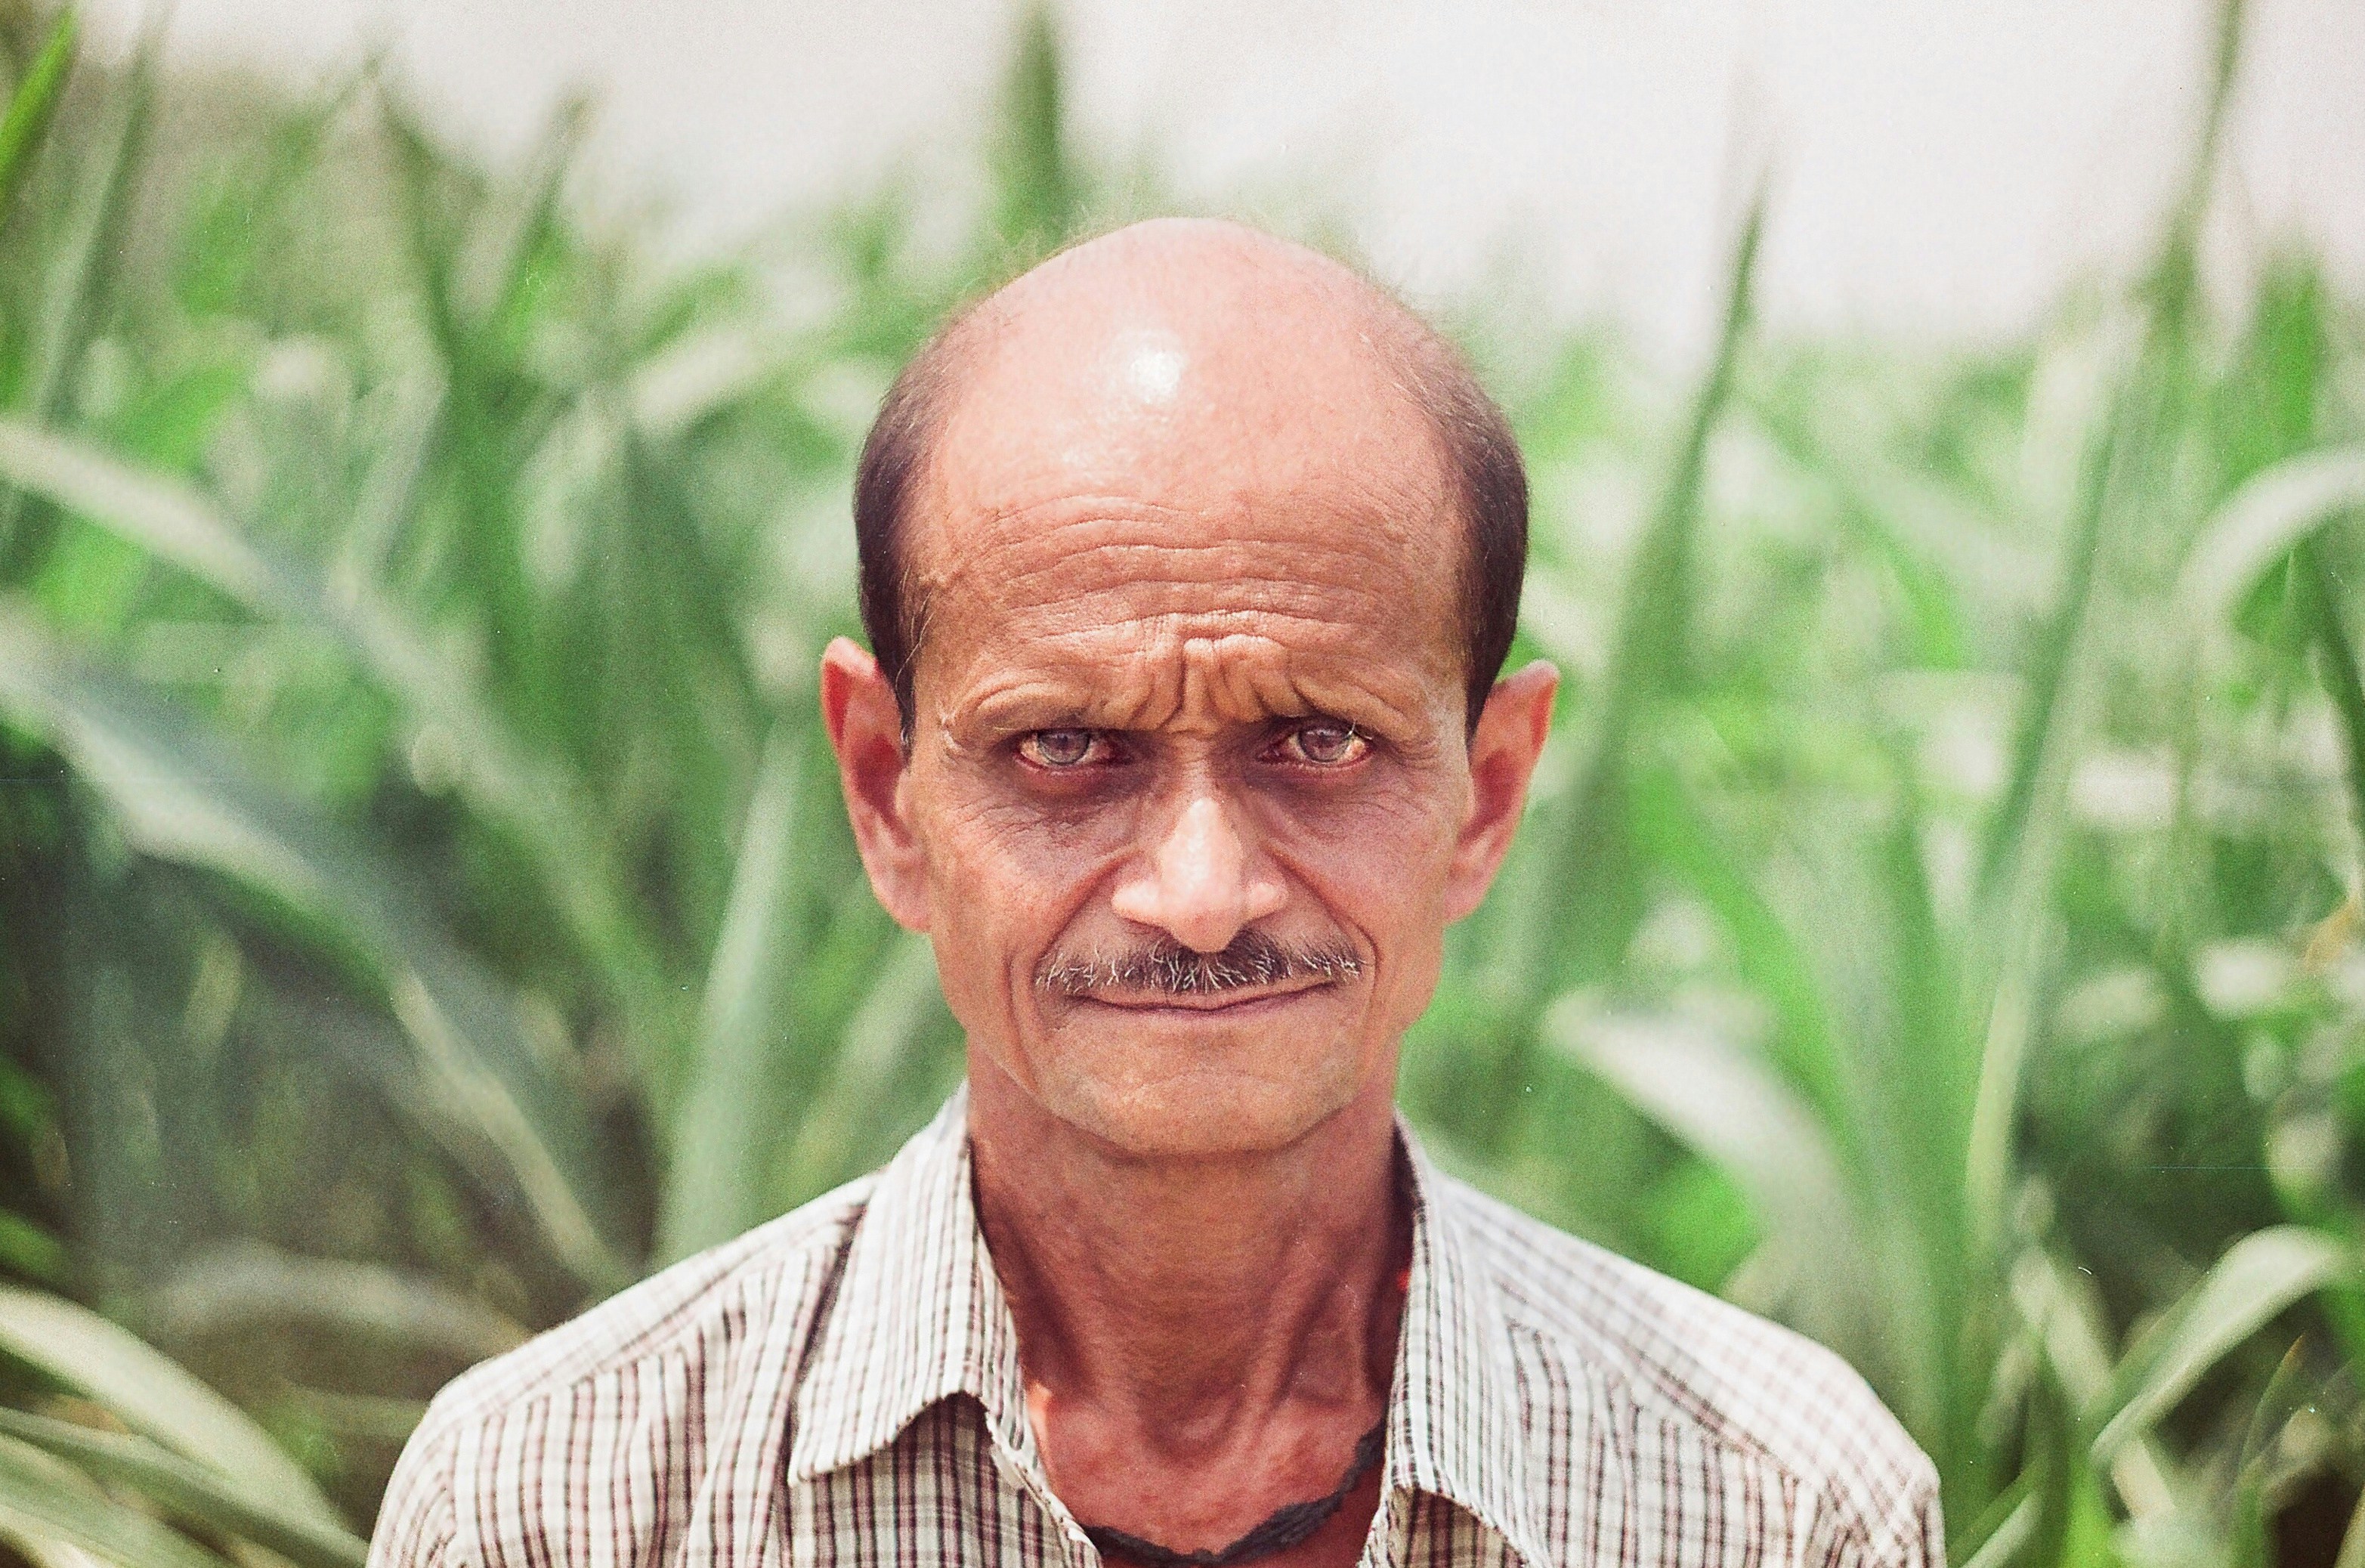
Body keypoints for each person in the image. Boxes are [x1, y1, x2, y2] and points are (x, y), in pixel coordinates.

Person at [368, 218, 1940, 1568]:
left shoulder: (1766, 1510)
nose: (1199, 892)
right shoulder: (560, 1508)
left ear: (1490, 791)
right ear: (881, 792)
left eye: (1317, 740)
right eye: (1065, 748)